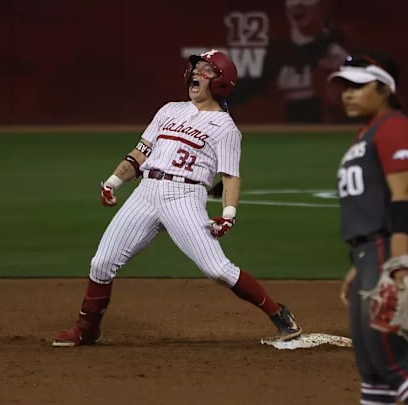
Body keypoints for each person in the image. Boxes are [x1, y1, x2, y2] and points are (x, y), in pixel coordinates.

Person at [52, 49, 302, 347]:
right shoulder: (169, 110)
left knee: (217, 270)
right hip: (145, 193)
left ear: (221, 82)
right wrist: (114, 181)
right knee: (101, 262)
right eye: (196, 67)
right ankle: (87, 329)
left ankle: (279, 315)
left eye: (207, 70)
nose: (197, 73)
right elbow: (140, 153)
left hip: (184, 196)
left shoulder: (225, 128)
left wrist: (229, 213)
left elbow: (230, 176)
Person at [329, 52, 408, 404]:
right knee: (373, 372)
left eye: (358, 85)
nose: (348, 94)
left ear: (385, 89)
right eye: (345, 87)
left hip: (391, 252)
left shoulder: (394, 127)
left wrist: (397, 263)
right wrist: (360, 264)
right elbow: (373, 206)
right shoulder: (368, 133)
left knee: (392, 365)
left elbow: (402, 201)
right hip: (371, 254)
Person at [229, 0, 349, 123]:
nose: (298, 4)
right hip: (287, 127)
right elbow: (256, 86)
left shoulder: (339, 42)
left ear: (323, 5)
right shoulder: (279, 49)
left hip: (328, 126)